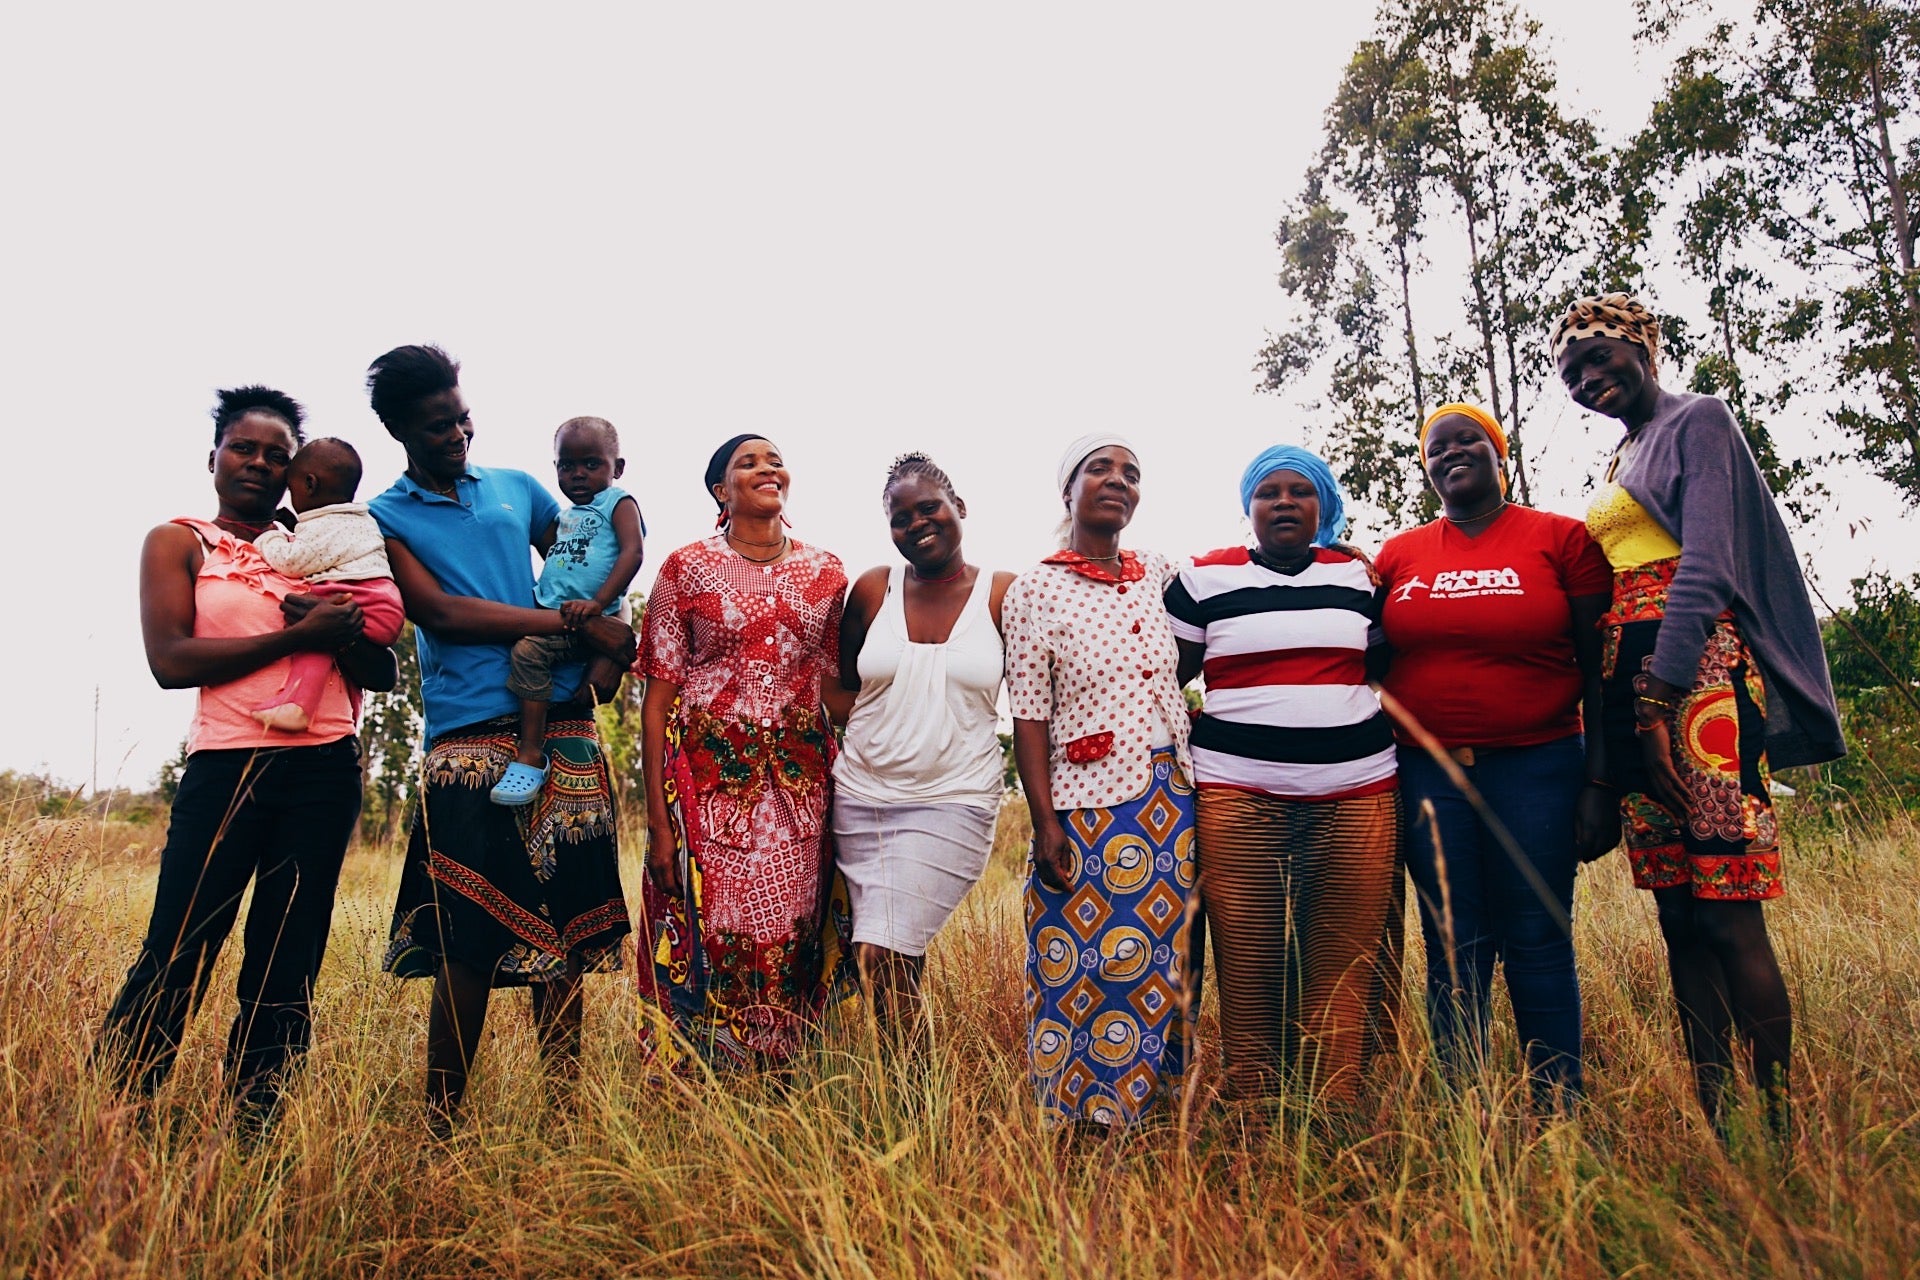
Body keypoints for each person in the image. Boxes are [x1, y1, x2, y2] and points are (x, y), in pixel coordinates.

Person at [1552, 292, 1844, 1137]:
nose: (1587, 379)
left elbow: (1708, 567)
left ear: (1646, 348)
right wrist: (1619, 709)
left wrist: (1659, 697)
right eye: (1572, 372)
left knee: (1725, 907)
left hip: (1698, 682)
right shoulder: (1622, 455)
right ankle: (1721, 1124)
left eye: (1600, 358)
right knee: (1677, 911)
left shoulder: (1698, 422)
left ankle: (1777, 1127)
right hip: (1629, 679)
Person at [95, 386, 396, 1128]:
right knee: (180, 942)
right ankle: (114, 1113)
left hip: (324, 769)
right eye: (244, 449)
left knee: (287, 952)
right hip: (227, 767)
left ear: (300, 470)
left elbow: (382, 668)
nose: (260, 463)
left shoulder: (324, 539)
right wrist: (303, 634)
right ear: (214, 459)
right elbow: (171, 659)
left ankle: (255, 1129)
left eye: (276, 453)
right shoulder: (181, 540)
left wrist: (341, 630)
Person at [365, 345, 633, 1135]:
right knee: (468, 937)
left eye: (462, 415)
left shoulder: (519, 488)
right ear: (398, 430)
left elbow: (586, 562)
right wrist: (565, 624)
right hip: (465, 740)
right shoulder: (388, 516)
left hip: (566, 727)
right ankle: (440, 1128)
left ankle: (564, 1124)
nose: (458, 433)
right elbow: (440, 613)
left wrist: (601, 656)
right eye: (437, 424)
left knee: (568, 934)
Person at [1374, 404, 1614, 1108]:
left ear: (1498, 452)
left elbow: (1600, 671)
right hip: (1427, 773)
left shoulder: (1561, 539)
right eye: (1435, 447)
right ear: (1426, 469)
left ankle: (1557, 1106)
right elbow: (1371, 658)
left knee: (1538, 937)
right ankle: (1463, 1112)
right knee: (1452, 945)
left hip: (1539, 766)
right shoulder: (1399, 555)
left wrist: (1601, 780)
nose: (1451, 452)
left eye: (1467, 439)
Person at [1164, 445, 1402, 1105]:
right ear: (1249, 507)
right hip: (1239, 802)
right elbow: (1164, 683)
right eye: (1269, 492)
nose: (1285, 502)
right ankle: (1255, 1117)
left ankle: (1334, 1117)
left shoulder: (1361, 581)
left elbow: (1384, 672)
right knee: (1250, 967)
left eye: (1301, 491)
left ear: (1322, 503)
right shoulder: (1202, 580)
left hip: (1358, 800)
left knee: (1343, 966)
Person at [636, 434, 850, 1069]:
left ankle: (785, 1086)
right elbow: (657, 703)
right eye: (747, 463)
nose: (767, 469)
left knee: (794, 937)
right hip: (708, 794)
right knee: (711, 932)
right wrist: (657, 823)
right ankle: (701, 1088)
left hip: (801, 796)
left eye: (774, 459)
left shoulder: (827, 572)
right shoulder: (685, 568)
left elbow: (840, 692)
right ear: (719, 492)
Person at [1004, 435, 1198, 1129]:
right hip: (1085, 801)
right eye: (1100, 470)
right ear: (1069, 492)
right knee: (1079, 955)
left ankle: (1151, 1108)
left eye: (1132, 474)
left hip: (1170, 796)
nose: (1118, 482)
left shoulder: (1158, 573)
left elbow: (1236, 574)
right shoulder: (1036, 588)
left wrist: (1343, 550)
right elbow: (1029, 714)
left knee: (1158, 958)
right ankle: (1078, 1111)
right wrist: (1044, 820)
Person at [833, 452, 1013, 1029]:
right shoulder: (870, 590)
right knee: (890, 956)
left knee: (881, 948)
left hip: (954, 799)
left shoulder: (1003, 594)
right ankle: (910, 1104)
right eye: (900, 516)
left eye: (929, 508)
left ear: (959, 507)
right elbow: (839, 687)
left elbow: (1039, 701)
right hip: (860, 799)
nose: (917, 524)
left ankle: (909, 1090)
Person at [494, 416, 646, 806]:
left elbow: (633, 552)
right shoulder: (565, 516)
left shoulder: (618, 501)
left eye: (592, 464)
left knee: (528, 652)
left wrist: (599, 606)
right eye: (567, 465)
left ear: (618, 468)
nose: (578, 474)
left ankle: (530, 752)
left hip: (588, 619)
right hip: (558, 612)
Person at [250, 437, 407, 732]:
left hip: (362, 601)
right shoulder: (355, 519)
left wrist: (268, 535)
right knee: (323, 634)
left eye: (291, 488)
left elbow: (291, 561)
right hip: (382, 603)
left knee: (316, 633)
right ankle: (343, 711)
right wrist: (295, 527)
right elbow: (327, 552)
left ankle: (298, 705)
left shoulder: (325, 526)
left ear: (309, 484)